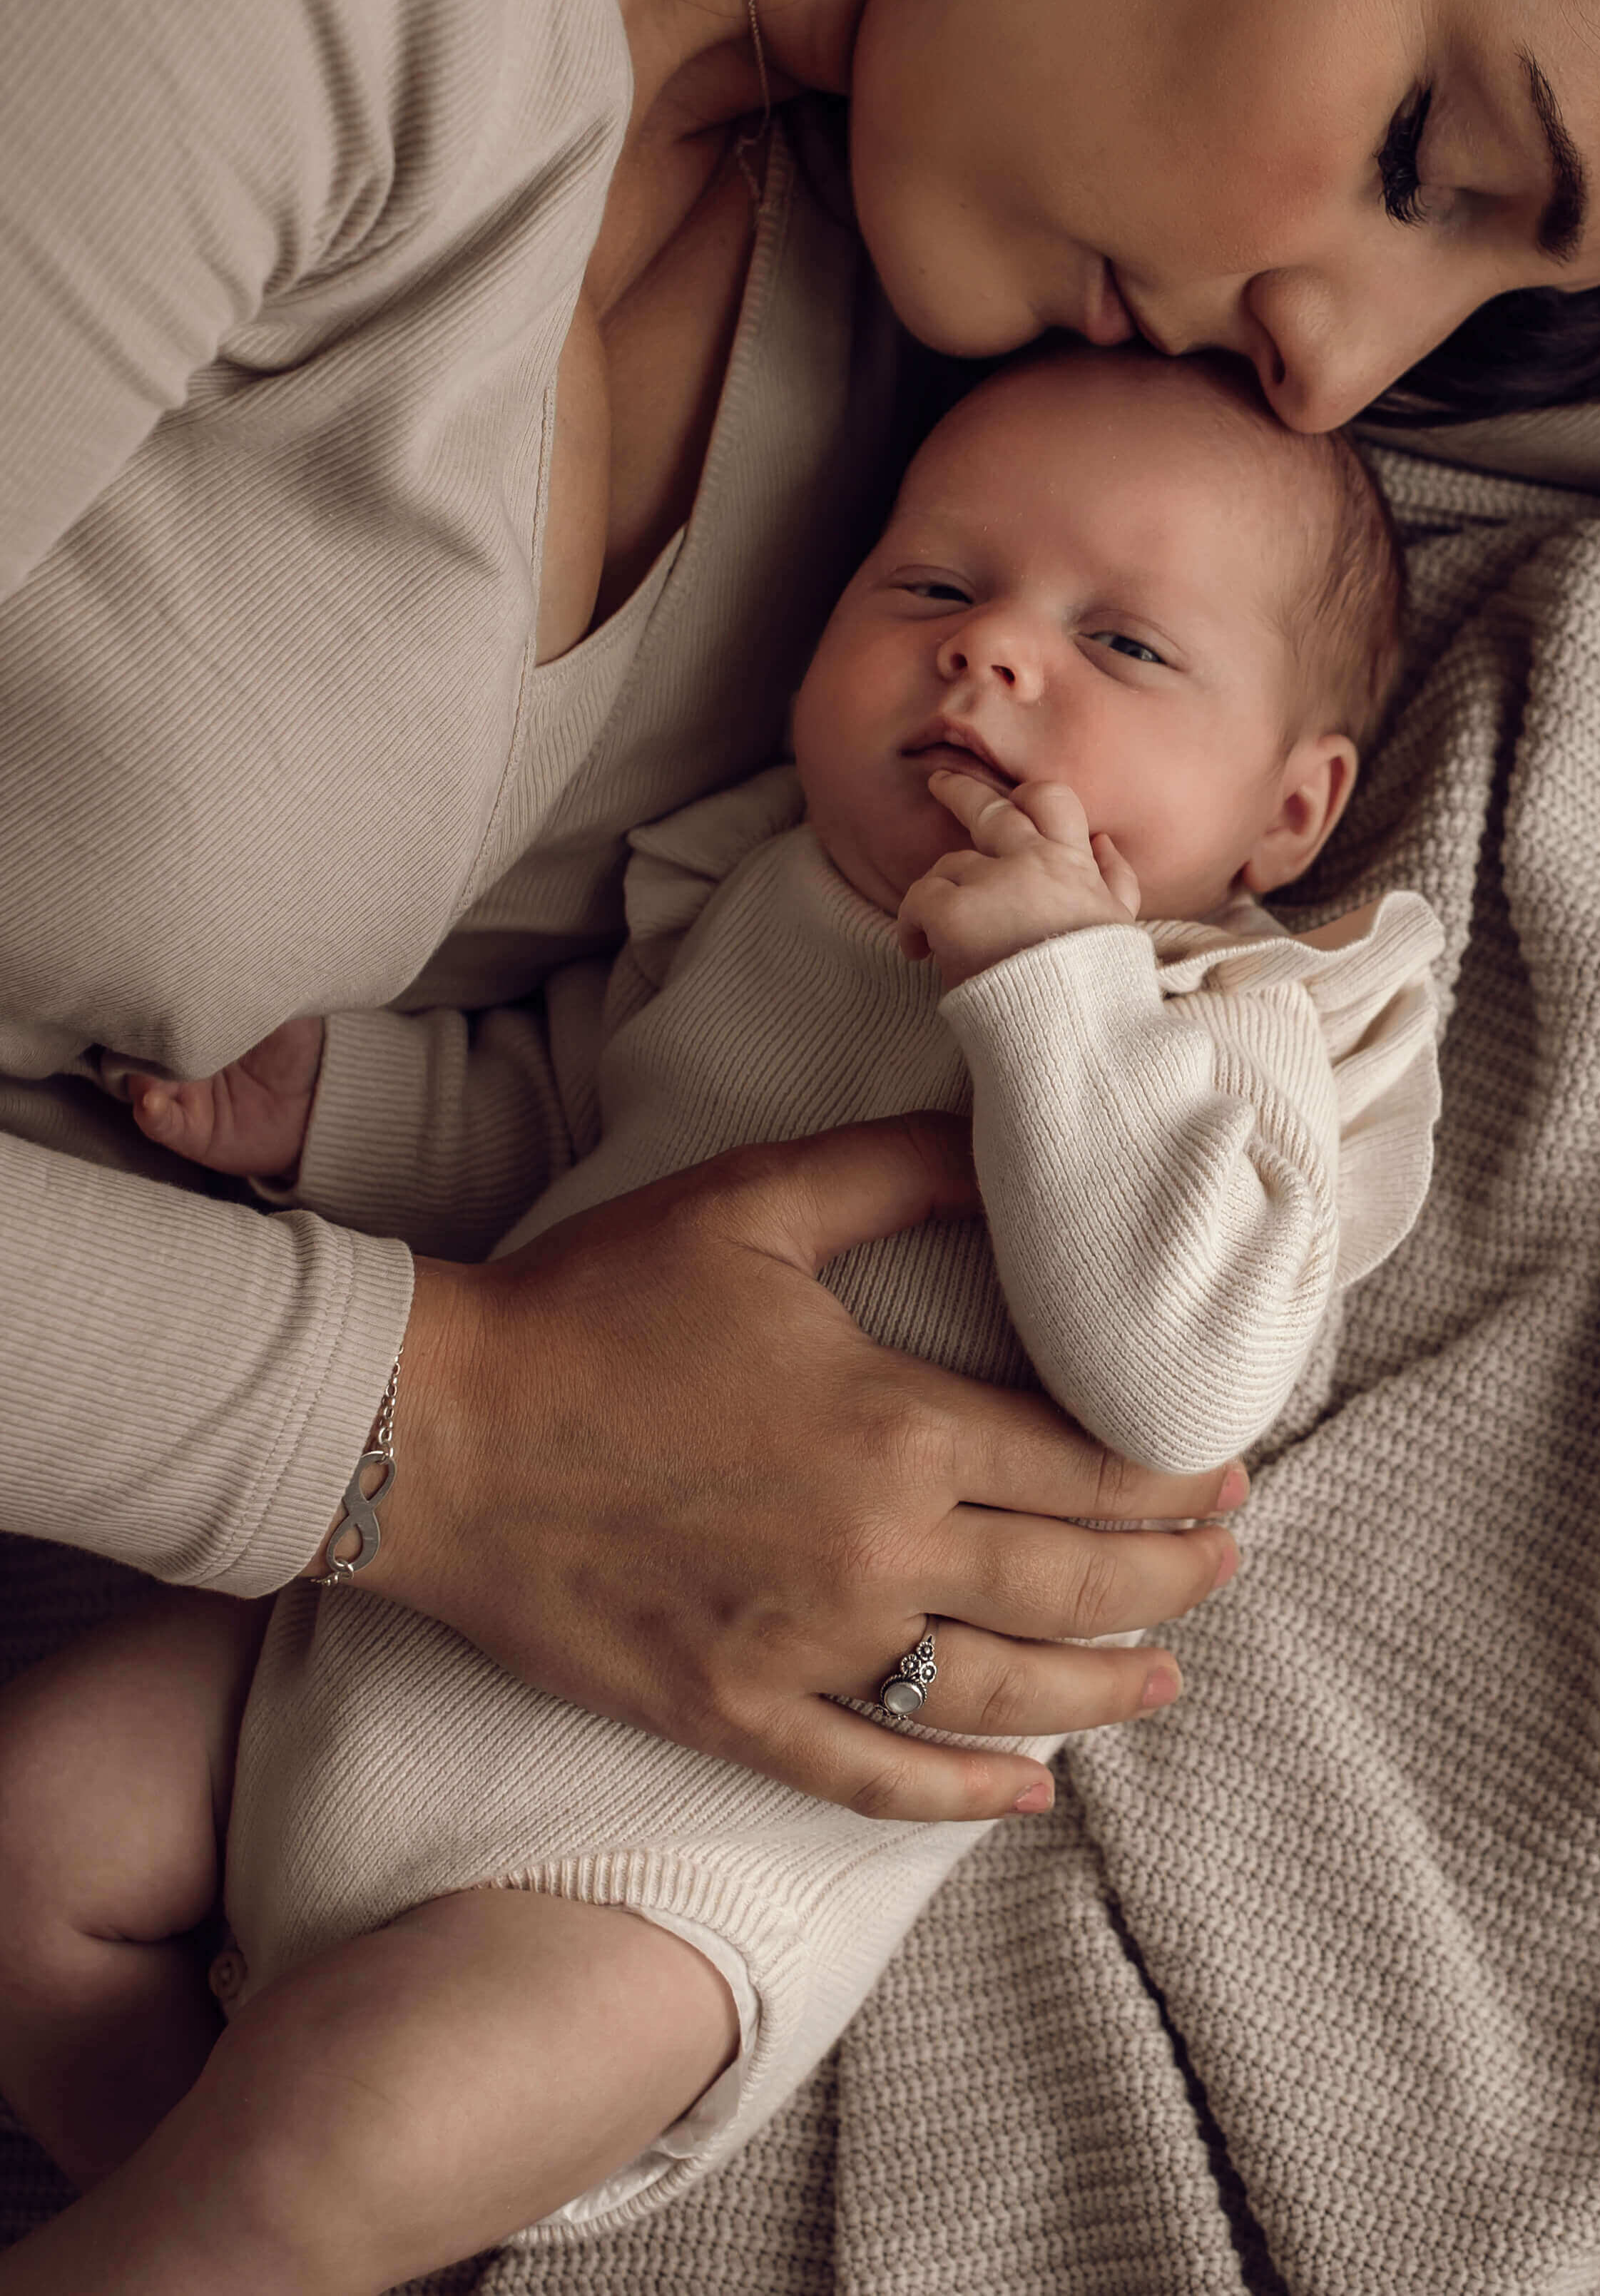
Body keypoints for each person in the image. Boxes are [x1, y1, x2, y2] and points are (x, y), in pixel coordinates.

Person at [1, 0, 1600, 2237]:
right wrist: (441, 1431)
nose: (1337, 360)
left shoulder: (952, 264)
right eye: (1427, 152)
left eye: (1476, 300)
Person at [0, 345, 1442, 2281]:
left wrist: (1063, 992)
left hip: (662, 1859)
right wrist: (329, 1111)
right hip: (376, 1627)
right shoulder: (750, 889)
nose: (992, 655)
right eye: (932, 587)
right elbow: (566, 1142)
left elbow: (1183, 1372)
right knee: (33, 1832)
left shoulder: (1240, 1032)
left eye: (1126, 645)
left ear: (1291, 808)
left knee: (330, 2148)